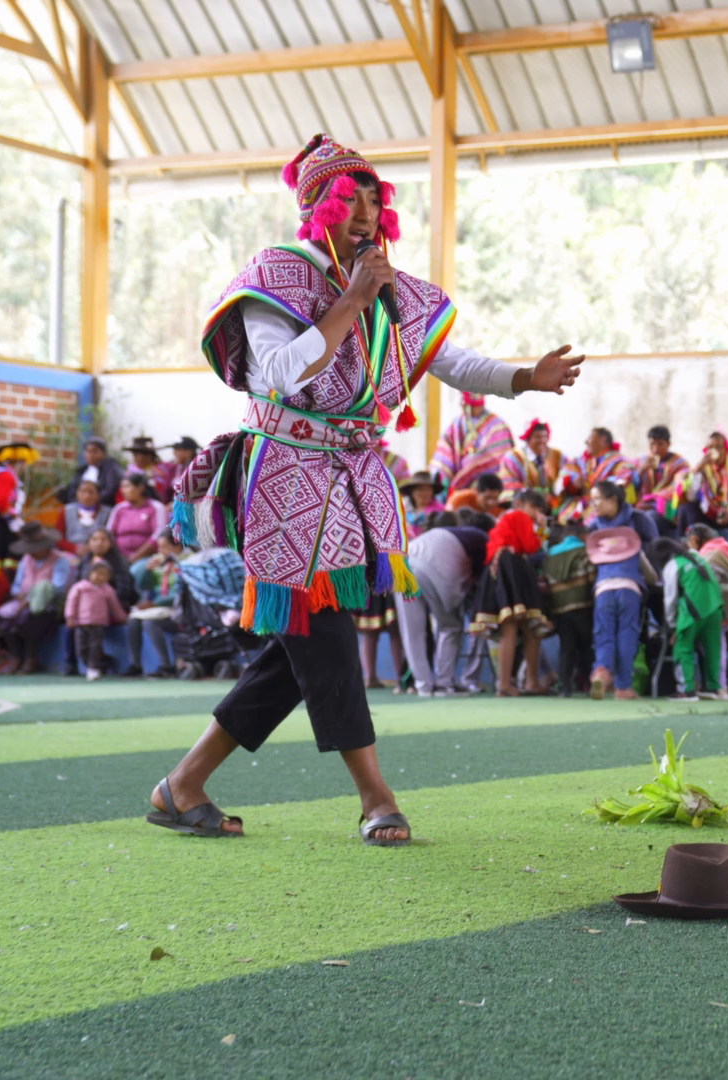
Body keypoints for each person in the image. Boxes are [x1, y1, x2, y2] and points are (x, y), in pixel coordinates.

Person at [148, 133, 584, 844]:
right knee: (322, 636)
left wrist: (522, 378)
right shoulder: (275, 275)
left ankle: (183, 785)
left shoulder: (388, 288)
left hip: (348, 482)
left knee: (299, 650)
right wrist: (350, 299)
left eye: (375, 199)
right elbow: (284, 372)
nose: (365, 212)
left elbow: (449, 359)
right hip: (282, 479)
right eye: (349, 198)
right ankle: (375, 794)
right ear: (316, 204)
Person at [397, 509, 488, 697]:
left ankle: (424, 686)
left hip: (403, 565)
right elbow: (481, 578)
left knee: (412, 632)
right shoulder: (482, 537)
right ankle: (444, 684)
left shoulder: (447, 533)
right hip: (435, 569)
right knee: (450, 626)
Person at [477, 487, 554, 696]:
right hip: (512, 568)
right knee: (515, 627)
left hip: (500, 567)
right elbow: (532, 547)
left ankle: (514, 683)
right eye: (533, 507)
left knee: (521, 627)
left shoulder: (505, 519)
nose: (535, 512)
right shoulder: (519, 516)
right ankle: (521, 683)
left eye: (540, 509)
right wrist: (542, 527)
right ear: (519, 505)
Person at [0, 522, 74, 673]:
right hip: (22, 601)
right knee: (2, 617)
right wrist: (19, 595)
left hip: (49, 603)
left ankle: (31, 658)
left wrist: (30, 598)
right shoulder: (26, 560)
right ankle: (17, 657)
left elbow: (57, 588)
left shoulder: (60, 560)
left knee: (29, 617)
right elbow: (17, 584)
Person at [587, 516, 654, 701]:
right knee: (627, 635)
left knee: (604, 634)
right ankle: (623, 686)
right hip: (629, 590)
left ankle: (601, 671)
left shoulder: (600, 555)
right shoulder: (635, 552)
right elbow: (651, 576)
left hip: (603, 591)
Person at [661, 532, 728, 701]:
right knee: (713, 648)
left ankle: (686, 690)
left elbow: (670, 599)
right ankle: (713, 688)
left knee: (683, 646)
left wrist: (672, 626)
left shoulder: (674, 564)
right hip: (715, 606)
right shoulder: (701, 559)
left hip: (693, 608)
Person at [539, 523, 594, 697]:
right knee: (586, 646)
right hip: (583, 605)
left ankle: (566, 688)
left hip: (560, 608)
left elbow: (545, 581)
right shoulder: (585, 551)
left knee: (567, 648)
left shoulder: (550, 555)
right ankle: (589, 686)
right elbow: (591, 575)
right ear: (582, 535)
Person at [675, 432, 728, 542]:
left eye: (718, 447)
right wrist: (697, 471)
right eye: (710, 447)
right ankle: (684, 551)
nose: (714, 451)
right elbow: (692, 497)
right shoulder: (704, 468)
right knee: (685, 509)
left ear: (726, 449)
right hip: (710, 513)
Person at [431, 392, 515, 495]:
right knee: (440, 479)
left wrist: (471, 467)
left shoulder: (497, 425)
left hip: (486, 481)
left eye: (470, 406)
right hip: (457, 476)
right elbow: (446, 447)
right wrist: (443, 471)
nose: (465, 408)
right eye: (464, 405)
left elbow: (496, 454)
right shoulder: (457, 423)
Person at [127, 533, 185, 678]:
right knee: (133, 621)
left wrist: (154, 603)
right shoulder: (159, 561)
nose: (160, 550)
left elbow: (180, 592)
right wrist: (147, 570)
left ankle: (166, 666)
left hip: (179, 608)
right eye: (159, 547)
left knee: (150, 623)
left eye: (164, 546)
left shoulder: (187, 561)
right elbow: (144, 585)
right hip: (160, 607)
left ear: (177, 546)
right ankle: (136, 665)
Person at [64, 560, 129, 680]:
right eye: (98, 573)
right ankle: (92, 665)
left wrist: (123, 618)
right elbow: (71, 602)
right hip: (81, 623)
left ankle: (93, 668)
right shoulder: (80, 587)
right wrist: (70, 617)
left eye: (104, 574)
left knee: (95, 647)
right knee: (81, 648)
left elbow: (115, 606)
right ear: (90, 573)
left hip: (99, 624)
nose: (100, 577)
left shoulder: (108, 590)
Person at [558, 427, 633, 523]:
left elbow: (624, 477)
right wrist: (573, 480)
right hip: (582, 503)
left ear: (603, 441)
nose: (586, 442)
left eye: (590, 438)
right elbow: (566, 471)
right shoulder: (583, 461)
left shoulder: (618, 460)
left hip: (604, 503)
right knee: (564, 519)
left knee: (590, 522)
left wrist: (602, 487)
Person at [109, 474, 168, 563]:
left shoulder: (156, 507)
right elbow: (109, 534)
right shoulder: (119, 509)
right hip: (118, 558)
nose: (122, 491)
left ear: (140, 488)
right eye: (122, 487)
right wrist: (119, 557)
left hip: (148, 558)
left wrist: (135, 557)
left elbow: (159, 534)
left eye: (127, 486)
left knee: (136, 571)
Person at [501, 419, 563, 500]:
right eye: (537, 437)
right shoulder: (513, 458)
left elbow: (565, 475)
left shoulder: (557, 455)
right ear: (528, 439)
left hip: (552, 503)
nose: (542, 441)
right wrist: (537, 495)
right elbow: (510, 484)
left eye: (545, 436)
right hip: (524, 502)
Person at [633, 426, 690, 510]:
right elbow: (630, 485)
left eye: (660, 444)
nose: (655, 449)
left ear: (668, 444)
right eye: (652, 444)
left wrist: (652, 500)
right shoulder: (641, 461)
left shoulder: (679, 464)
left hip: (666, 509)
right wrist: (641, 470)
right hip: (641, 505)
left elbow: (677, 486)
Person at [56, 439, 125, 506]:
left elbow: (110, 491)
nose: (90, 455)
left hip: (102, 507)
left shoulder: (111, 468)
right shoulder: (82, 470)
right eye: (88, 451)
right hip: (79, 507)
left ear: (104, 453)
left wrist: (90, 501)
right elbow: (73, 490)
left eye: (94, 452)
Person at [60, 479, 112, 553]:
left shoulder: (107, 513)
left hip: (99, 552)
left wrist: (92, 548)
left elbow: (110, 537)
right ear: (77, 493)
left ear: (98, 495)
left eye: (91, 492)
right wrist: (74, 549)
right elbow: (58, 537)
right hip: (70, 553)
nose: (87, 496)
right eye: (83, 491)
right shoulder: (66, 511)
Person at [157, 437, 200, 504]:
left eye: (178, 449)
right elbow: (166, 491)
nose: (174, 453)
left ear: (189, 451)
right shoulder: (174, 468)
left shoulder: (198, 468)